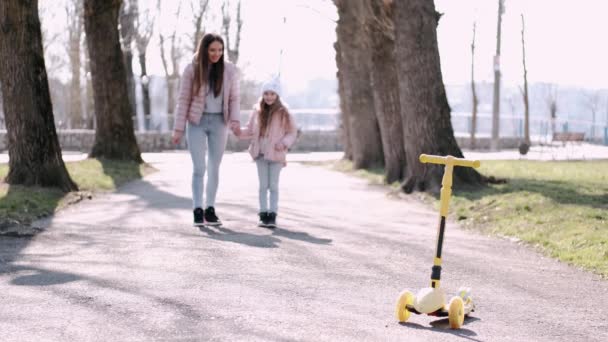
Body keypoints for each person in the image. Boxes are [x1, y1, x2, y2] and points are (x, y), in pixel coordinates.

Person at [172, 33, 240, 226]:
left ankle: (210, 209)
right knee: (199, 168)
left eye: (220, 50)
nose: (216, 54)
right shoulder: (192, 69)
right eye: (212, 50)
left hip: (220, 122)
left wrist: (234, 121)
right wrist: (178, 129)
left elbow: (234, 98)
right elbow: (183, 100)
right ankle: (197, 209)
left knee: (214, 167)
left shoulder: (229, 70)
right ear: (204, 49)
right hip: (196, 122)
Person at [237, 77, 298, 228]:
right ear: (262, 95)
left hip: (276, 155)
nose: (269, 97)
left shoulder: (284, 112)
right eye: (266, 94)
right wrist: (237, 130)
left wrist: (283, 143)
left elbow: (292, 132)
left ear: (277, 95)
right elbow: (250, 129)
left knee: (273, 185)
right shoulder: (257, 111)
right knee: (263, 185)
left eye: (272, 94)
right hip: (261, 154)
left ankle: (272, 214)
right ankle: (263, 213)